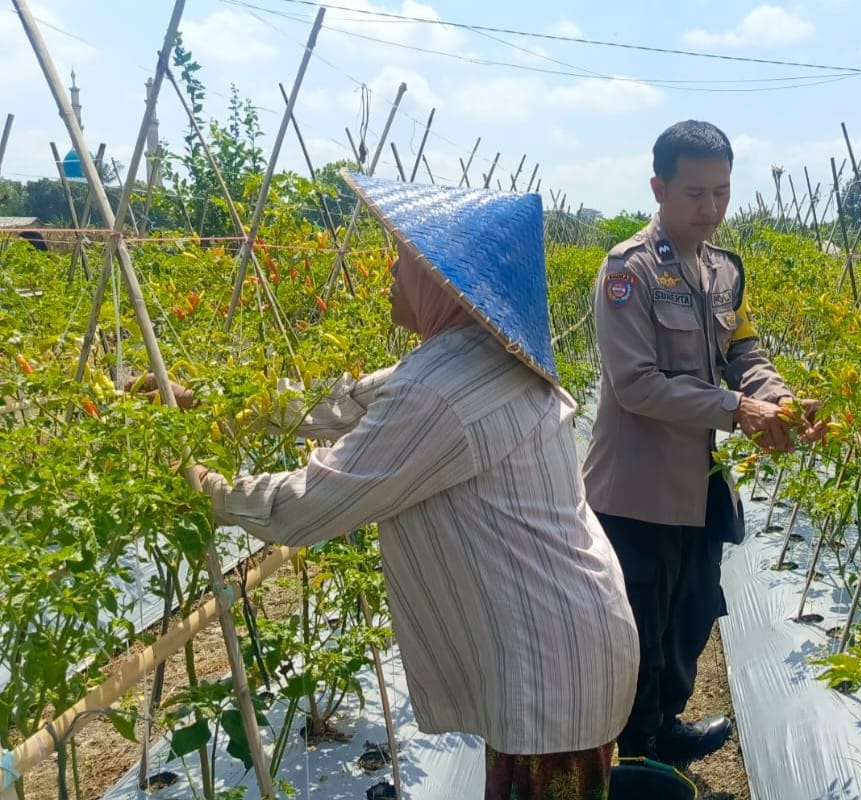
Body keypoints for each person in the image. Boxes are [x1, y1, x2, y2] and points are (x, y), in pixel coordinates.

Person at [176, 179, 640, 800]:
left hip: (551, 666)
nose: (391, 272)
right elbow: (343, 402)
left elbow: (312, 504)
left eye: (404, 258)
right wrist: (209, 403)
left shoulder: (440, 389)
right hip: (567, 640)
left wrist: (206, 490)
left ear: (441, 279)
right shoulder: (472, 356)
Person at [582, 120, 826, 764]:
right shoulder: (627, 273)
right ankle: (633, 752)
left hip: (701, 483)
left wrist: (775, 398)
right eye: (695, 193)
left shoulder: (723, 272)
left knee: (692, 613)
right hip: (637, 491)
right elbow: (635, 385)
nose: (711, 209)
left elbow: (745, 350)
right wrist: (734, 408)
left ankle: (666, 725)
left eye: (721, 191)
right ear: (659, 188)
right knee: (638, 628)